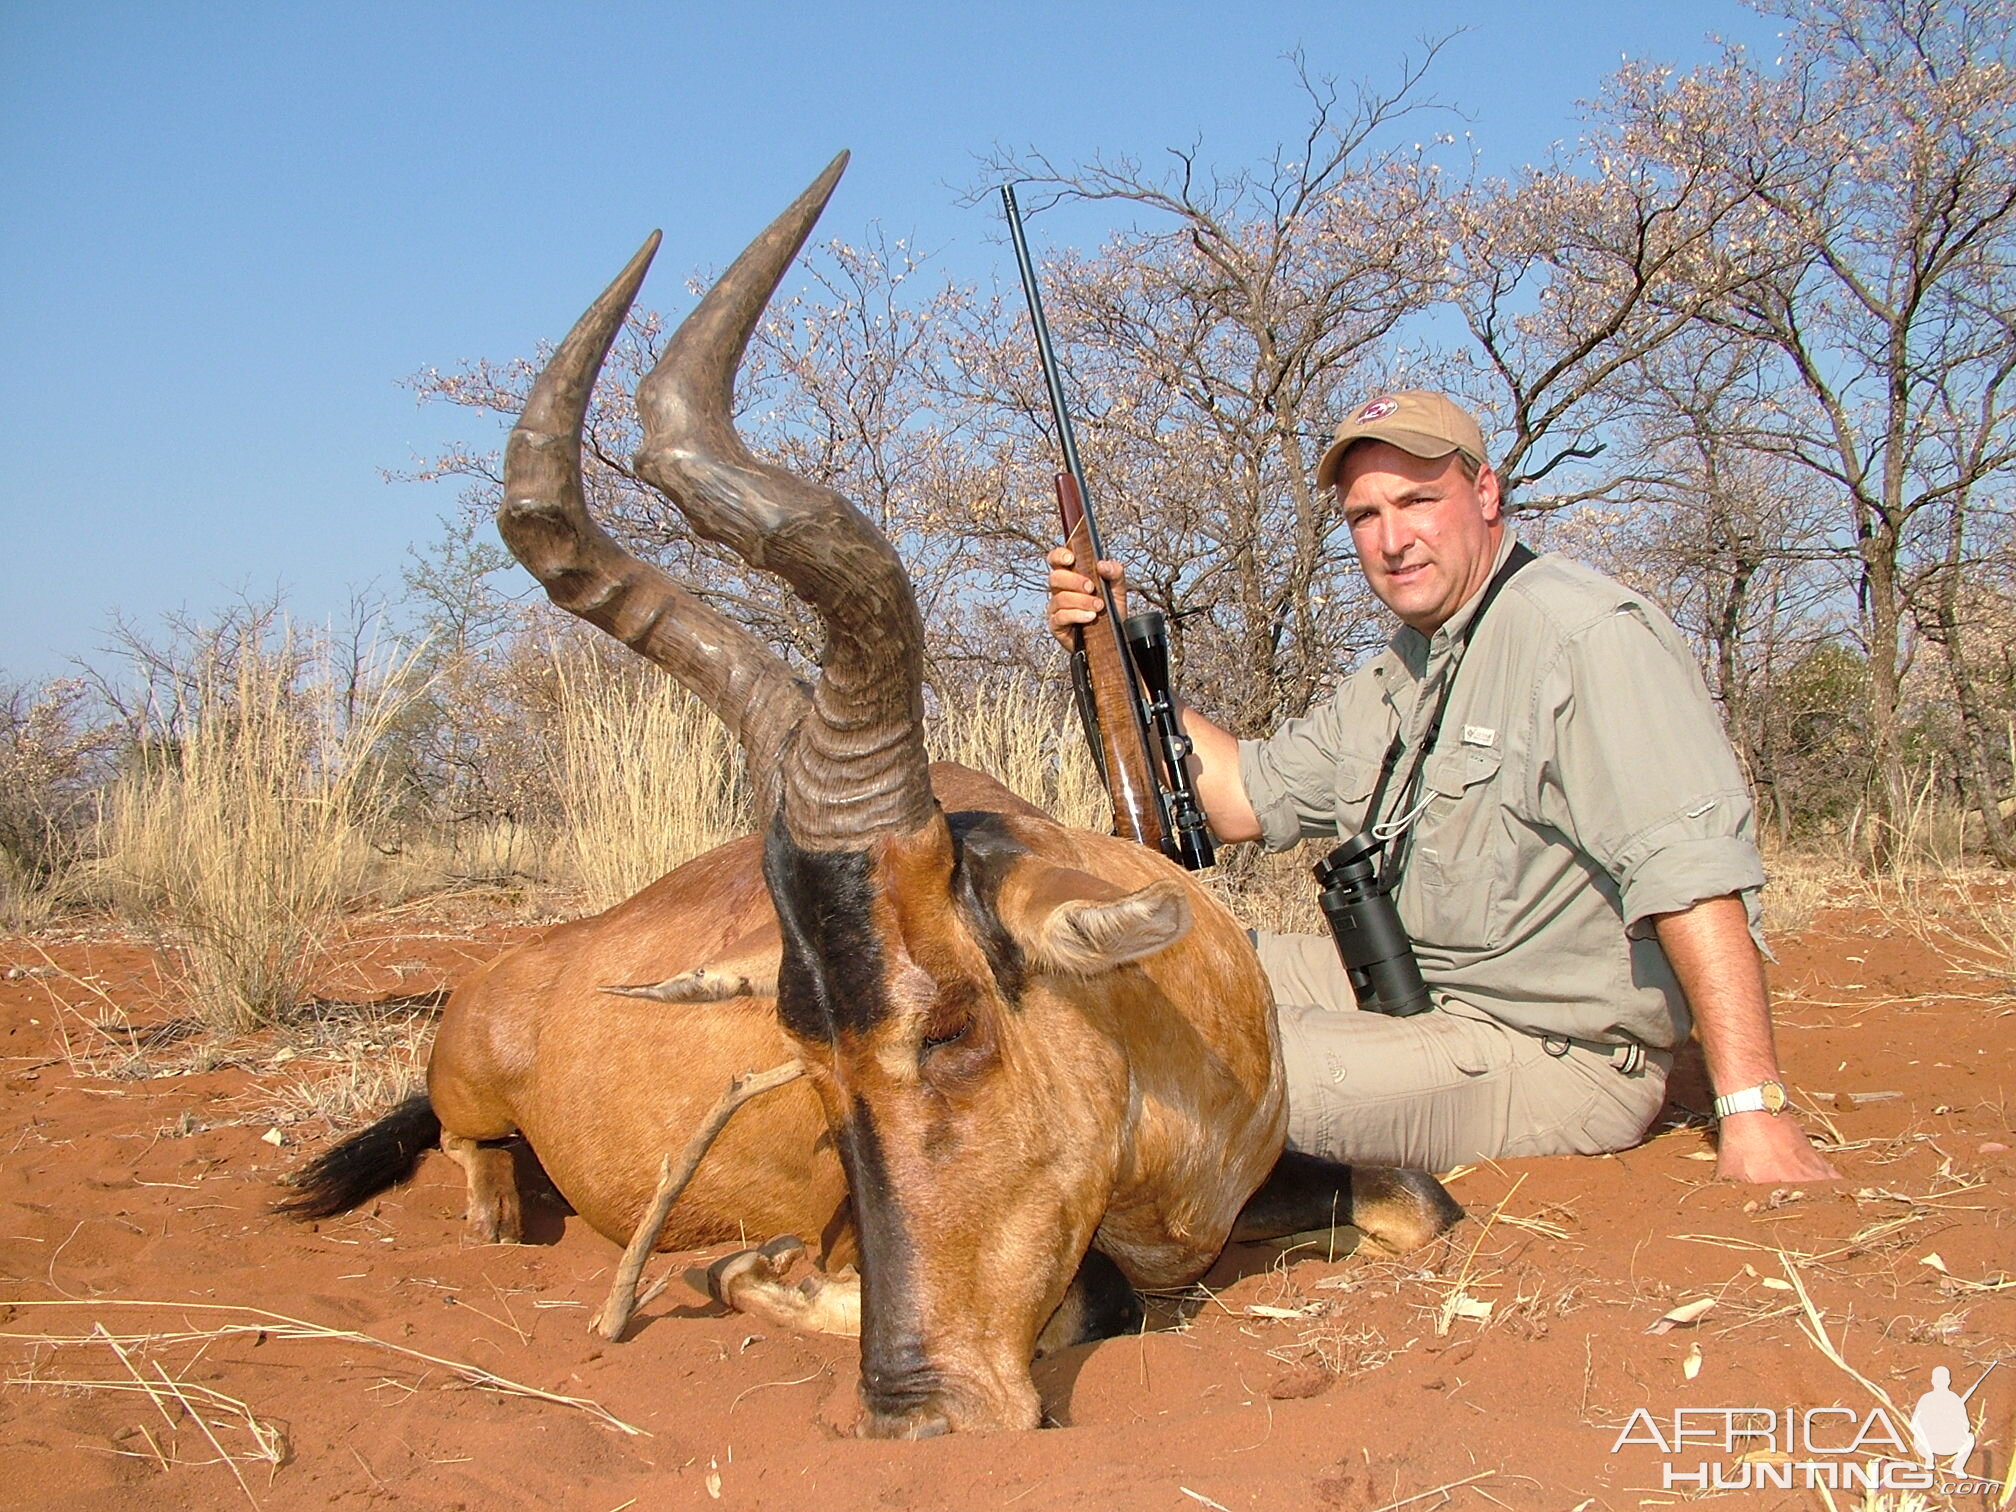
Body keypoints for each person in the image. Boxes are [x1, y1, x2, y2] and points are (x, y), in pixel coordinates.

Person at [1046, 390, 1837, 1184]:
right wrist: (1110, 655)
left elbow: (1693, 878)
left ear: (1486, 493)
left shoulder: (1584, 637)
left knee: (1178, 1072)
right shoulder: (1408, 666)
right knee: (1147, 964)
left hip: (1542, 1048)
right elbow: (1240, 795)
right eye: (1364, 516)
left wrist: (1754, 1108)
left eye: (1417, 500)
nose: (1392, 540)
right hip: (1407, 982)